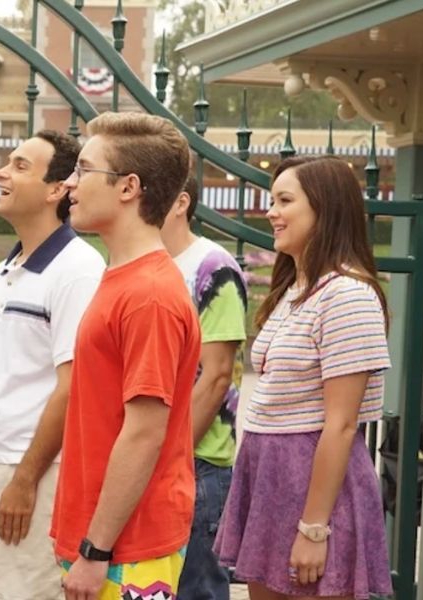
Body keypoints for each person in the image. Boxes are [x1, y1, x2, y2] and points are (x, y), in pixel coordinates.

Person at [214, 155, 393, 600]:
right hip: (270, 477)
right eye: (271, 200)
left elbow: (342, 423)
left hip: (315, 490)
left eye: (284, 200)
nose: (272, 212)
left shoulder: (348, 295)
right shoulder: (295, 289)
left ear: (325, 209)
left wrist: (314, 529)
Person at [51, 112, 201, 600]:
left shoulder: (149, 294)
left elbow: (144, 433)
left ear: (128, 187)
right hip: (109, 542)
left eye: (84, 169)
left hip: (126, 548)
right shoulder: (126, 279)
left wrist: (96, 551)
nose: (70, 182)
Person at [0, 130, 103, 599]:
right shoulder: (7, 268)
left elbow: (73, 385)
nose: (1, 172)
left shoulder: (77, 269)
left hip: (35, 471)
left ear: (58, 189)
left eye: (20, 166)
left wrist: (24, 480)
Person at [160, 175, 249, 600]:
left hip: (196, 463)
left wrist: (165, 460)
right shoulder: (137, 264)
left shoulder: (213, 267)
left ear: (179, 203)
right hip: (152, 460)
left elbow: (216, 377)